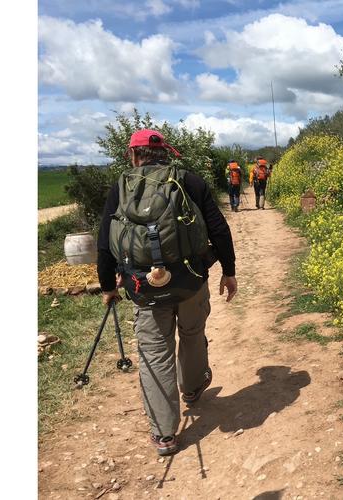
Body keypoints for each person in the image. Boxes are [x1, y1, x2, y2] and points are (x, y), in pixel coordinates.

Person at [97, 129, 237, 456]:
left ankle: (164, 433)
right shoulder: (189, 181)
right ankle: (191, 388)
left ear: (132, 155)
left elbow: (105, 244)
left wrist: (107, 286)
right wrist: (228, 271)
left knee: (155, 351)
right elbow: (219, 228)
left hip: (143, 286)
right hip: (190, 280)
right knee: (192, 333)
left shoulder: (121, 189)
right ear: (167, 154)